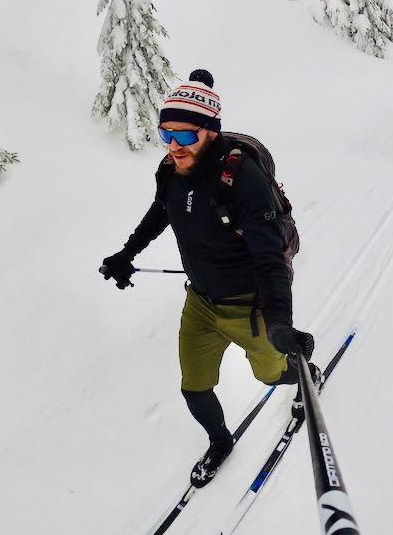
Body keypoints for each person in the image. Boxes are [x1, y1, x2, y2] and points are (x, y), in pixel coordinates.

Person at [99, 70, 318, 488]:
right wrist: (127, 254)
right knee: (194, 388)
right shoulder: (170, 170)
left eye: (185, 135)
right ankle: (220, 441)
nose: (173, 146)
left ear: (211, 131)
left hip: (249, 305)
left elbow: (270, 258)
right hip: (200, 302)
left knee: (272, 375)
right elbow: (161, 211)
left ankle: (307, 371)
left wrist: (279, 322)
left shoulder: (244, 179)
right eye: (166, 134)